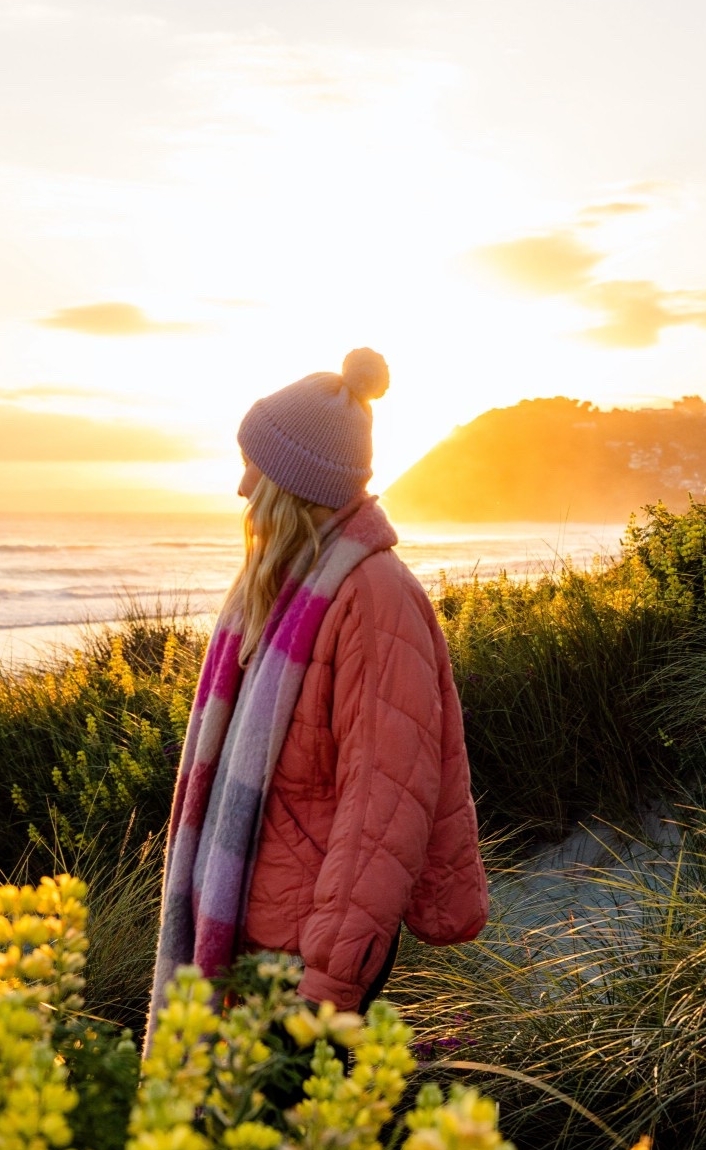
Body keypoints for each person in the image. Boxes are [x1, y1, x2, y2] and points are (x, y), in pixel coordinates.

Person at [149, 348, 487, 1037]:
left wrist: (328, 983)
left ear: (295, 485)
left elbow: (382, 811)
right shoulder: (285, 592)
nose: (242, 486)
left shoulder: (373, 599)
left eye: (256, 466)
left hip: (305, 959)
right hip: (259, 936)